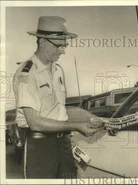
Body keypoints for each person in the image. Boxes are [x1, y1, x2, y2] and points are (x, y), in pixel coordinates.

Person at [13, 16, 104, 179]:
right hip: (40, 147)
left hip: (64, 144)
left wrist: (76, 131)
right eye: (59, 46)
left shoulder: (58, 71)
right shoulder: (27, 74)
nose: (63, 51)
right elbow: (34, 122)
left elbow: (60, 111)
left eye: (65, 45)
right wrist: (75, 127)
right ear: (42, 42)